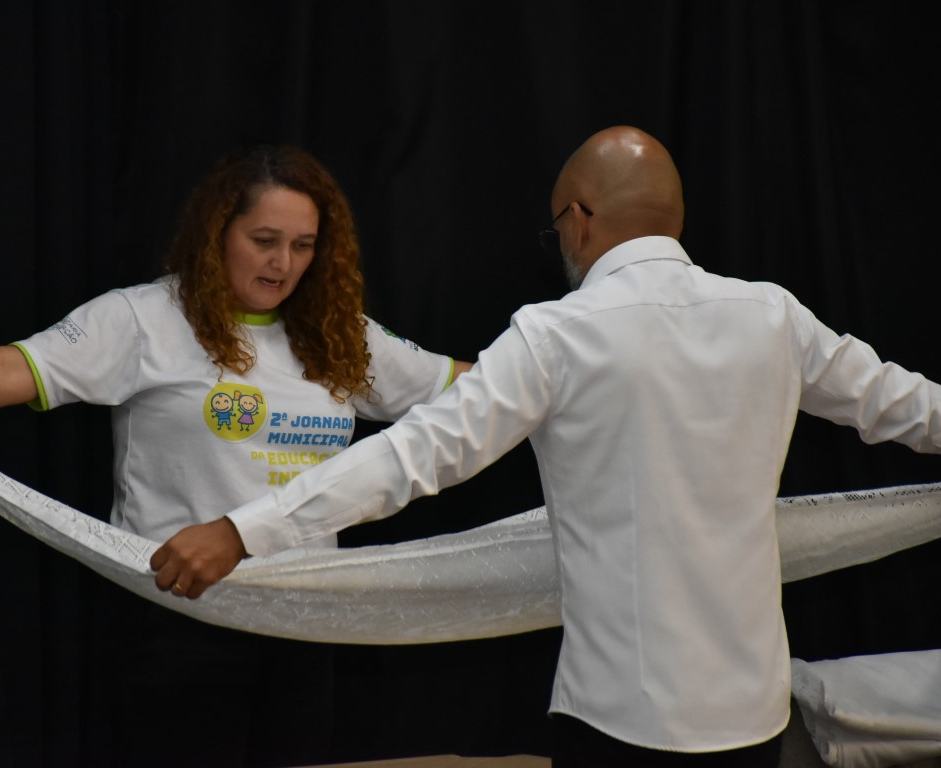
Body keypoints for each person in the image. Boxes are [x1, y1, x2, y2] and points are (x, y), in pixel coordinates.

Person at [152, 126, 941, 768]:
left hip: (621, 716)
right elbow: (909, 408)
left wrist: (243, 530)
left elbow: (414, 455)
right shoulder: (773, 317)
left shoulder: (556, 334)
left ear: (577, 219)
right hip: (753, 713)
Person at [0, 144, 472, 768]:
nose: (283, 263)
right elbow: (19, 366)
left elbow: (475, 391)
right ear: (217, 232)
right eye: (263, 240)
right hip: (181, 620)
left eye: (303, 245)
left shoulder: (339, 333)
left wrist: (539, 371)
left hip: (303, 620)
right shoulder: (146, 318)